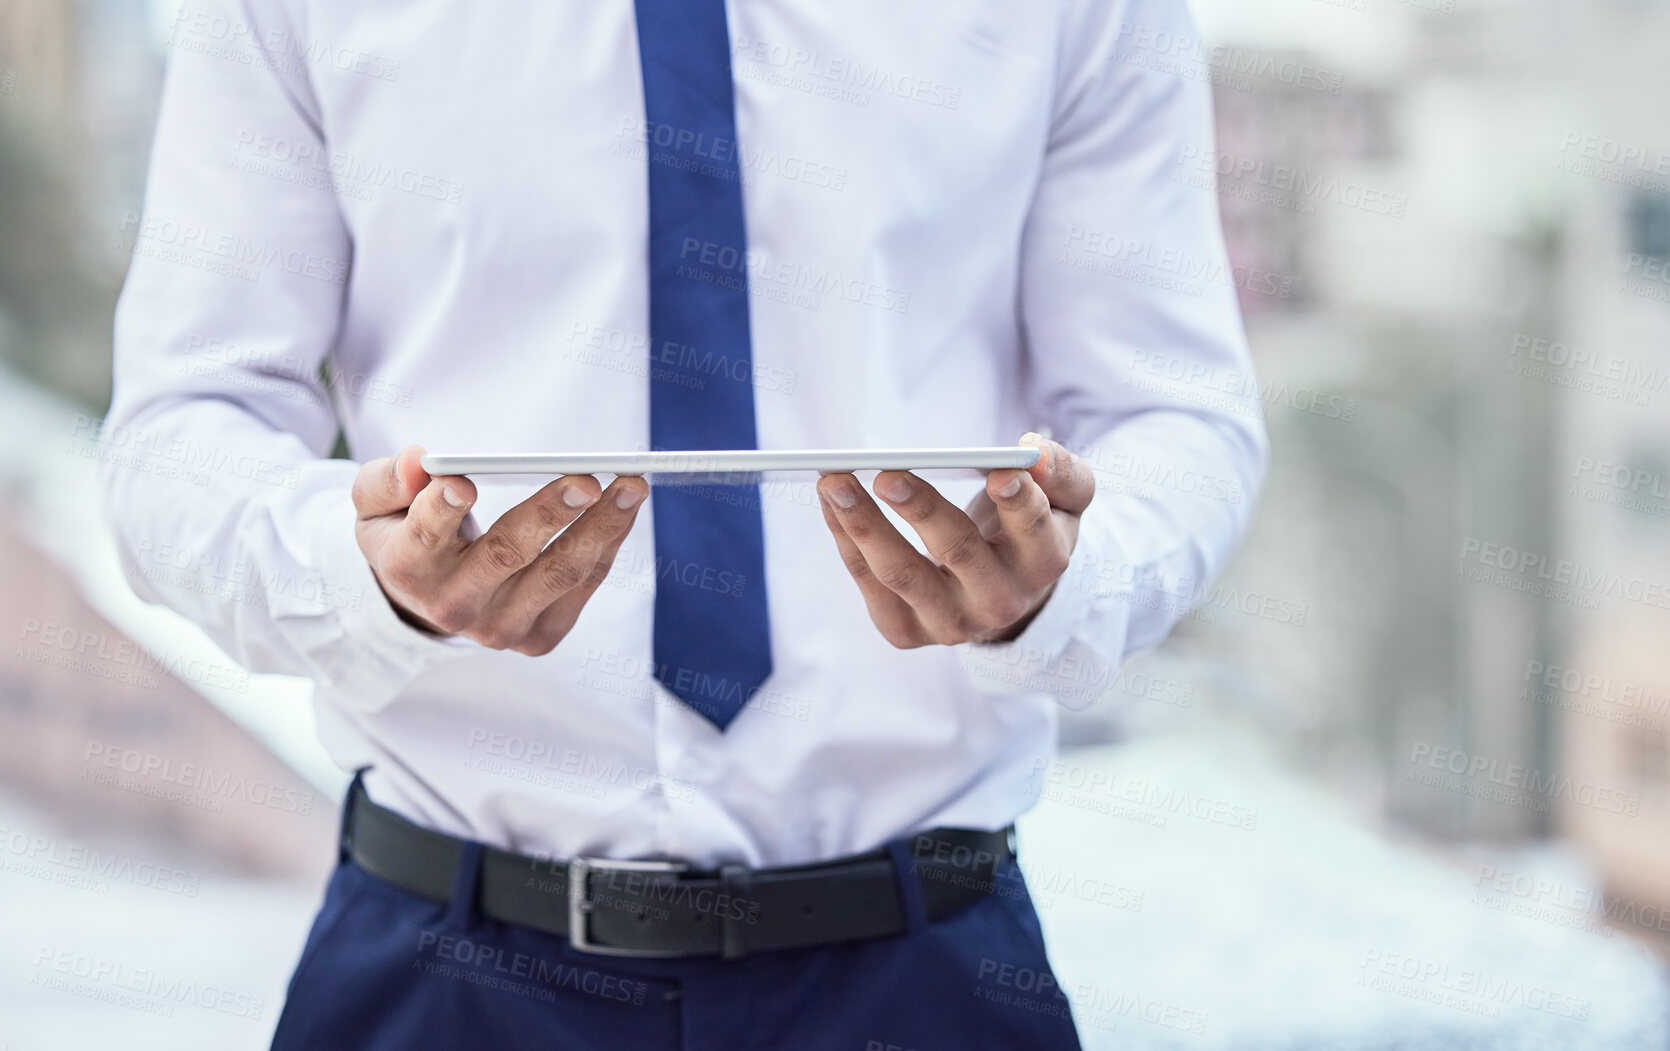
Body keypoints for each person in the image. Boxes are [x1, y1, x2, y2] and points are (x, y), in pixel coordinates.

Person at [102, 0, 1267, 1045]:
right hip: (442, 970)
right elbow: (182, 426)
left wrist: (1069, 580)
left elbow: (1173, 409)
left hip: (922, 974)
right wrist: (368, 578)